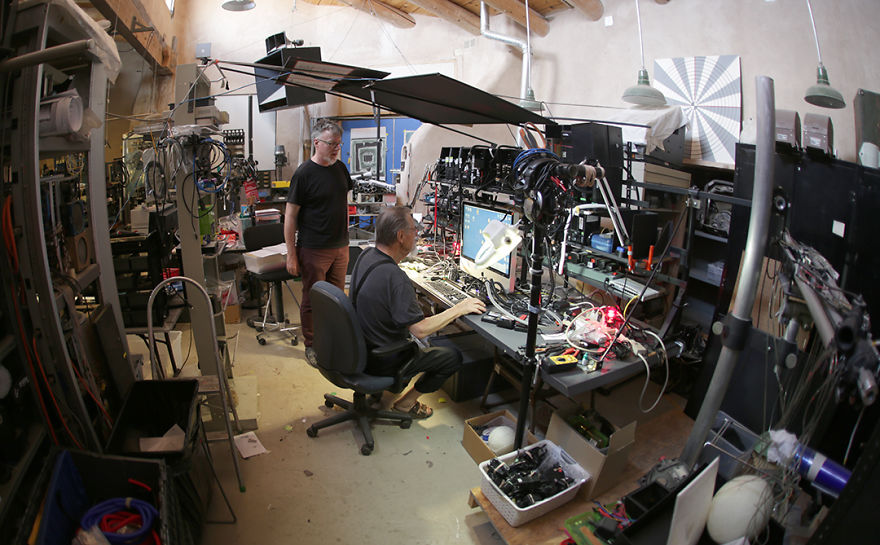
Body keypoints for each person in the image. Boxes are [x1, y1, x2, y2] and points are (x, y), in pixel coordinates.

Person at [349, 206, 486, 419]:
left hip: (359, 348)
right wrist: (459, 308)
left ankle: (384, 391)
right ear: (400, 236)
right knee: (451, 357)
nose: (417, 235)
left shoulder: (366, 255)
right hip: (382, 359)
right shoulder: (395, 277)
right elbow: (420, 330)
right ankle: (405, 404)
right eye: (414, 230)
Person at [284, 120, 352, 366]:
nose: (336, 149)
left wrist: (345, 237)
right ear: (316, 143)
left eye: (338, 144)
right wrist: (291, 254)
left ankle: (333, 340)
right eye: (331, 144)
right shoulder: (303, 174)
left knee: (337, 298)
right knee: (313, 299)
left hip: (340, 247)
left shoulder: (341, 169)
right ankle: (312, 345)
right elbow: (290, 216)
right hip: (313, 249)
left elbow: (342, 204)